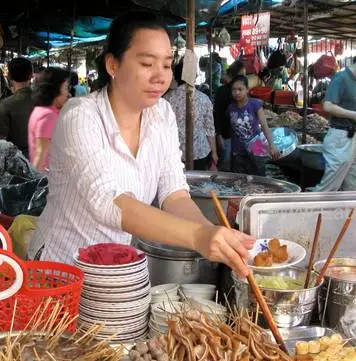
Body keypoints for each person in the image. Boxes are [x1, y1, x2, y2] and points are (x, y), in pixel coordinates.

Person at [28, 12, 254, 277]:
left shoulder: (163, 114)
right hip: (61, 269)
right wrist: (198, 236)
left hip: (117, 271)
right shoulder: (81, 115)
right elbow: (109, 203)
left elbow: (174, 194)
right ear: (113, 65)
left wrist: (214, 235)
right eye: (147, 63)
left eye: (168, 65)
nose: (160, 76)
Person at [311, 45, 356, 192]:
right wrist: (355, 115)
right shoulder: (342, 78)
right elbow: (328, 106)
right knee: (330, 186)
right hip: (341, 136)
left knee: (354, 185)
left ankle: (349, 214)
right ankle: (312, 212)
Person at [164, 59, 217, 170]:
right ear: (195, 76)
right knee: (198, 186)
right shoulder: (204, 99)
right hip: (200, 152)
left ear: (176, 76)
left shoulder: (166, 99)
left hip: (174, 153)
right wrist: (214, 153)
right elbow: (210, 129)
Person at [228, 76, 279, 176]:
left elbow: (264, 126)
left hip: (256, 151)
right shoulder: (230, 108)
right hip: (238, 153)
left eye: (240, 89)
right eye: (234, 90)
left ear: (247, 90)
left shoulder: (255, 104)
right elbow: (232, 130)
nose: (236, 92)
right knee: (239, 184)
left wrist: (272, 145)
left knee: (258, 183)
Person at [27, 67, 70, 171]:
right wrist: (36, 184)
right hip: (49, 181)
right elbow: (40, 155)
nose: (68, 93)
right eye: (65, 88)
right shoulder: (47, 116)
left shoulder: (42, 110)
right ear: (55, 90)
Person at [0, 57, 35, 157]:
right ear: (31, 75)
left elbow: (0, 137)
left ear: (9, 76)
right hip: (40, 155)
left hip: (16, 158)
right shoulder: (43, 100)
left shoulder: (6, 104)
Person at [214, 61, 246, 171]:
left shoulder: (244, 94)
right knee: (225, 165)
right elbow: (217, 115)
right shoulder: (222, 91)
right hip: (226, 135)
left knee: (237, 165)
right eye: (241, 75)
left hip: (239, 137)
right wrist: (219, 136)